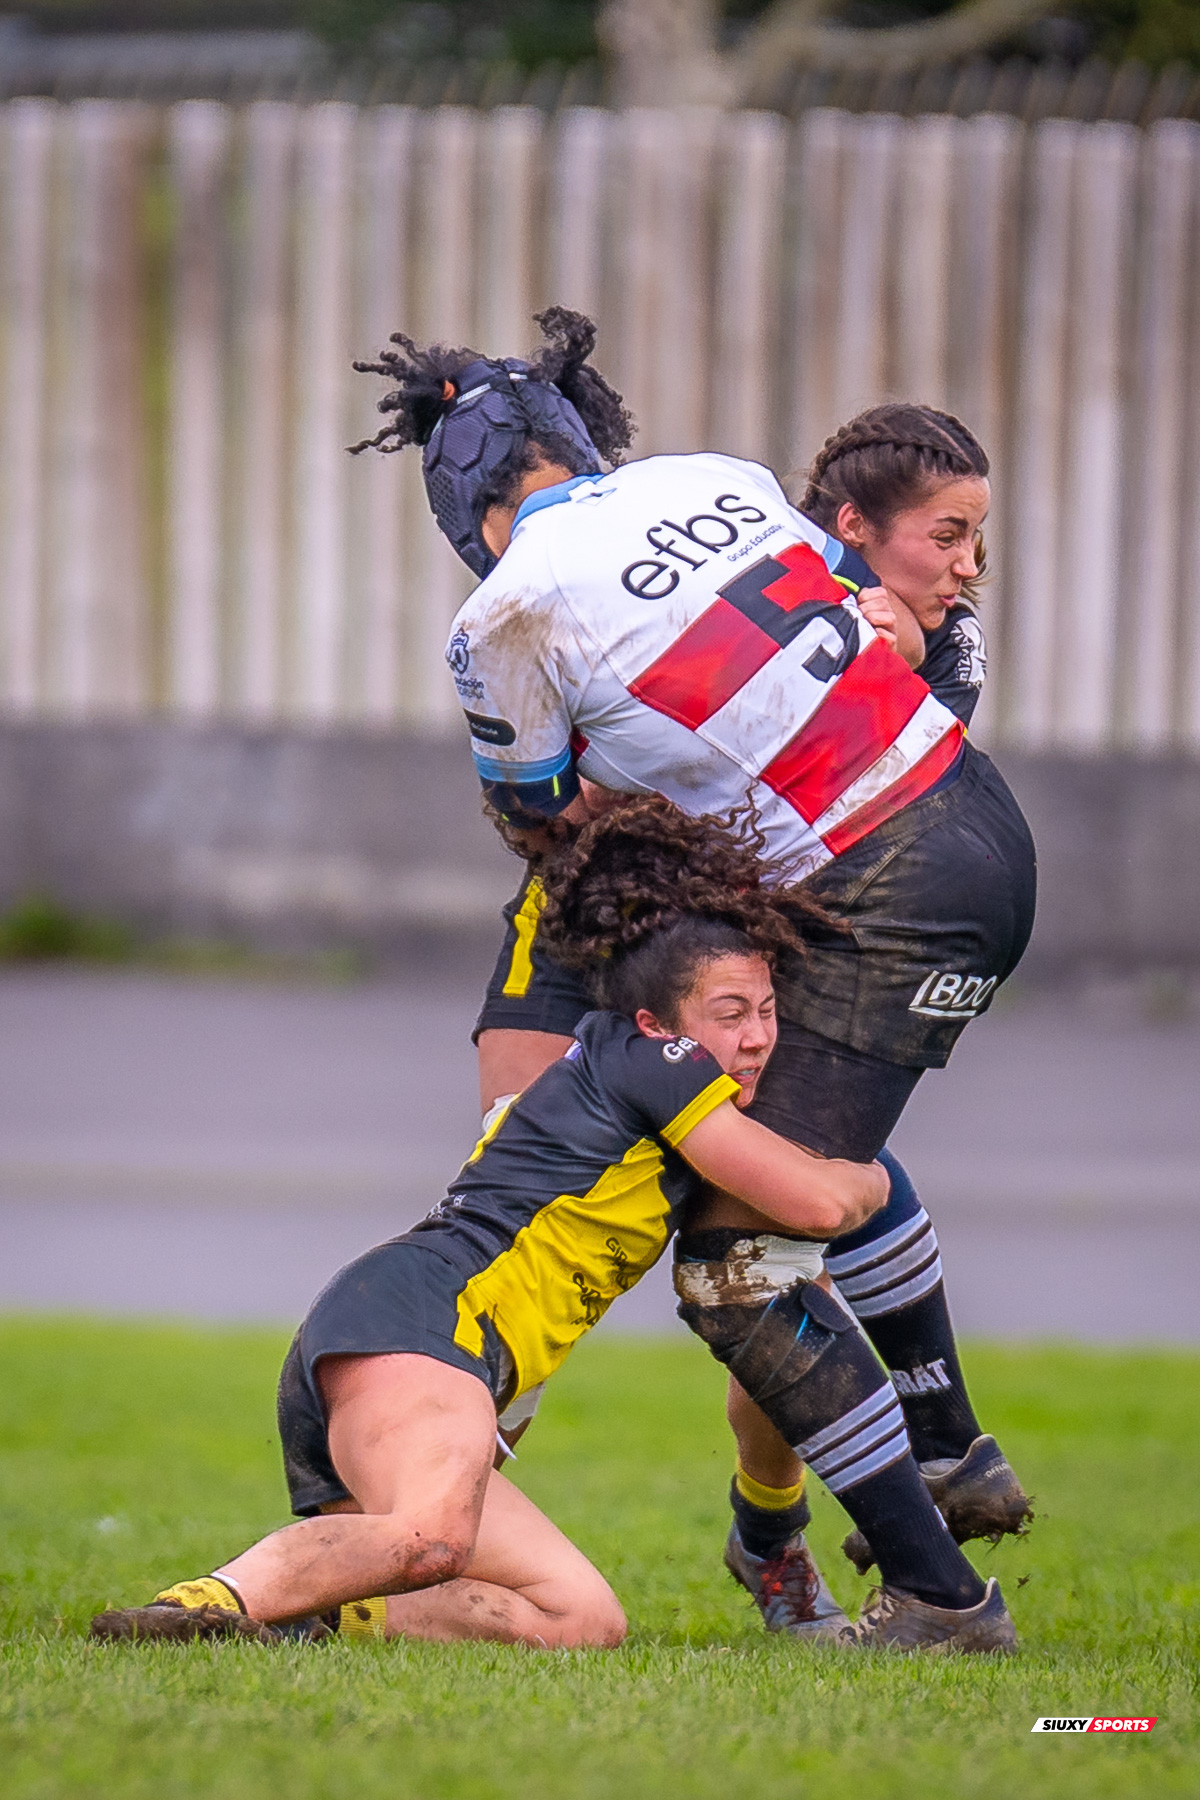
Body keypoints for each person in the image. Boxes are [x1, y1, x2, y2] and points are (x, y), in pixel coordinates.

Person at [349, 311, 1035, 1618]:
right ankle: (930, 1456)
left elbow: (542, 816)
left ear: (475, 522)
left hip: (861, 880)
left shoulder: (507, 611)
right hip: (976, 833)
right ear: (576, 439)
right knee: (788, 1172)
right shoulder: (712, 477)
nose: (964, 563)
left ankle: (931, 1589)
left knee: (731, 1257)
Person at [89, 806, 1015, 1654]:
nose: (760, 1037)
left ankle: (315, 1614)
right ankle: (198, 1608)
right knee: (433, 1536)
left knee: (580, 1622)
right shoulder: (658, 1063)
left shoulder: (667, 1091)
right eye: (731, 1014)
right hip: (421, 1327)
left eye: (769, 1010)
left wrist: (770, 1508)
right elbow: (815, 1203)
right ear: (661, 1023)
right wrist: (866, 1172)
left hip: (421, 1348)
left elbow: (774, 1326)